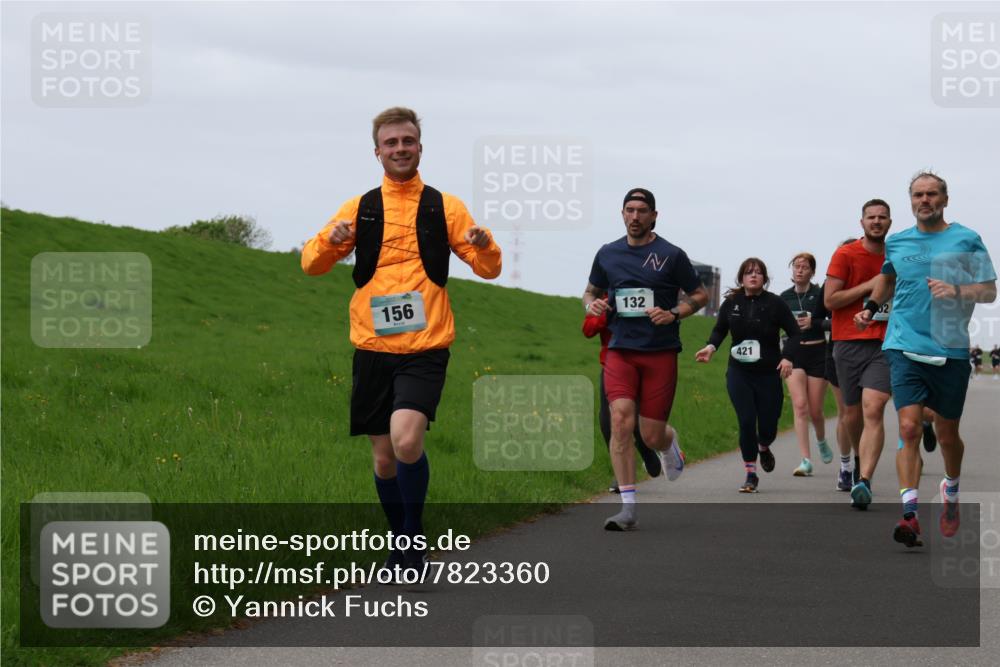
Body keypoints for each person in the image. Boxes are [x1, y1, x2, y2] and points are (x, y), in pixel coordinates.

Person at [301, 107, 502, 574]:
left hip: (425, 348)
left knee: (406, 441)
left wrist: (484, 244)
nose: (400, 149)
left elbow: (488, 268)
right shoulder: (359, 207)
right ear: (377, 152)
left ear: (420, 148)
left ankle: (413, 540)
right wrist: (331, 240)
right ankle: (400, 543)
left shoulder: (445, 206)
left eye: (407, 141)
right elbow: (311, 265)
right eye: (391, 143)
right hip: (372, 348)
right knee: (384, 457)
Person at [856, 171, 996, 547]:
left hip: (950, 348)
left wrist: (957, 290)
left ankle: (951, 489)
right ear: (911, 200)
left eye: (932, 194)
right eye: (918, 195)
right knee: (908, 428)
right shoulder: (898, 242)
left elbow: (989, 291)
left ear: (945, 199)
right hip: (902, 344)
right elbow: (888, 278)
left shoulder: (967, 239)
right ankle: (910, 515)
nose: (925, 200)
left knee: (947, 435)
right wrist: (871, 306)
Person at [584, 187, 708, 530]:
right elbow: (590, 291)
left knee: (650, 435)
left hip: (659, 352)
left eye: (642, 211)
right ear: (622, 214)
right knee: (620, 420)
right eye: (629, 210)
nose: (635, 216)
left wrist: (674, 313)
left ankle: (669, 444)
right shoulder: (607, 253)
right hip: (620, 349)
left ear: (654, 216)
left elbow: (700, 294)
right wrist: (591, 305)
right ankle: (628, 508)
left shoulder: (671, 255)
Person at [695, 258, 799, 493]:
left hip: (768, 373)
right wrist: (710, 347)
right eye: (749, 272)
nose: (753, 276)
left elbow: (794, 333)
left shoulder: (775, 303)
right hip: (739, 372)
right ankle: (751, 474)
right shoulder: (732, 302)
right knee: (746, 420)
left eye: (758, 272)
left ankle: (764, 446)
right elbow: (720, 329)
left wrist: (787, 357)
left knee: (769, 426)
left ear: (764, 278)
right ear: (741, 278)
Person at [824, 199, 894, 510]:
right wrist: (869, 286)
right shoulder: (846, 254)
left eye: (882, 217)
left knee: (874, 407)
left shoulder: (897, 255)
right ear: (862, 222)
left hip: (885, 342)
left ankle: (864, 479)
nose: (876, 222)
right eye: (871, 217)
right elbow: (831, 301)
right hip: (848, 342)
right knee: (851, 415)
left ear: (890, 222)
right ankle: (856, 458)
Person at [582, 300, 667, 493]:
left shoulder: (645, 294)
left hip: (642, 364)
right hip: (612, 367)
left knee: (635, 421)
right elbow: (587, 330)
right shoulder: (605, 299)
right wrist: (606, 315)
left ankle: (647, 453)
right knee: (607, 422)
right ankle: (620, 474)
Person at [779, 252, 832, 476]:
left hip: (818, 352)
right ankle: (805, 460)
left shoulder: (821, 295)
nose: (799, 270)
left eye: (804, 267)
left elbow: (834, 321)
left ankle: (821, 440)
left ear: (812, 271)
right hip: (794, 354)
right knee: (800, 406)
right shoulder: (784, 297)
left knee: (816, 411)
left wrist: (815, 322)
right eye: (796, 266)